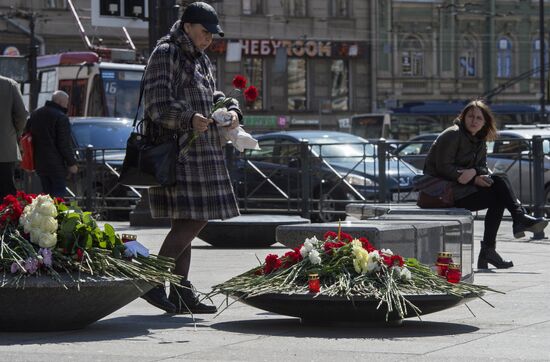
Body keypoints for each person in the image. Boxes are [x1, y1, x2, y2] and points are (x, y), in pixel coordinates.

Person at [140, 2, 242, 314]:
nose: (209, 37)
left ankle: (181, 292)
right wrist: (188, 118)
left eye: (213, 33)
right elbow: (155, 104)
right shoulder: (166, 53)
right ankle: (152, 280)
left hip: (201, 150)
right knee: (196, 218)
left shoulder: (200, 58)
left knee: (185, 222)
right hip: (180, 152)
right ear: (187, 27)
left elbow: (212, 96)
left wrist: (232, 108)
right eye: (204, 31)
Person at [423, 99, 548, 269]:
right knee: (499, 185)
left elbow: (482, 167)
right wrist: (473, 177)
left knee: (498, 188)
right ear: (463, 117)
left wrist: (475, 174)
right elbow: (442, 167)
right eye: (470, 116)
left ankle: (491, 249)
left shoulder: (479, 140)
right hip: (442, 194)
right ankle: (516, 220)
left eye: (478, 118)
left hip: (461, 191)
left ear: (484, 122)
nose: (474, 121)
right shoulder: (453, 134)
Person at [27, 90, 78, 197]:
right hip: (56, 165)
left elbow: (27, 135)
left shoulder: (36, 113)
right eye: (66, 102)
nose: (67, 105)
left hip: (39, 163)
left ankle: (48, 214)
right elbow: (63, 144)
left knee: (47, 195)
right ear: (60, 102)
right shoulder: (61, 117)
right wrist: (71, 163)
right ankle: (56, 213)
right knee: (58, 196)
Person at [0, 75, 28, 200]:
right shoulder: (9, 84)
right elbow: (22, 114)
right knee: (6, 196)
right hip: (4, 150)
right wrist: (15, 134)